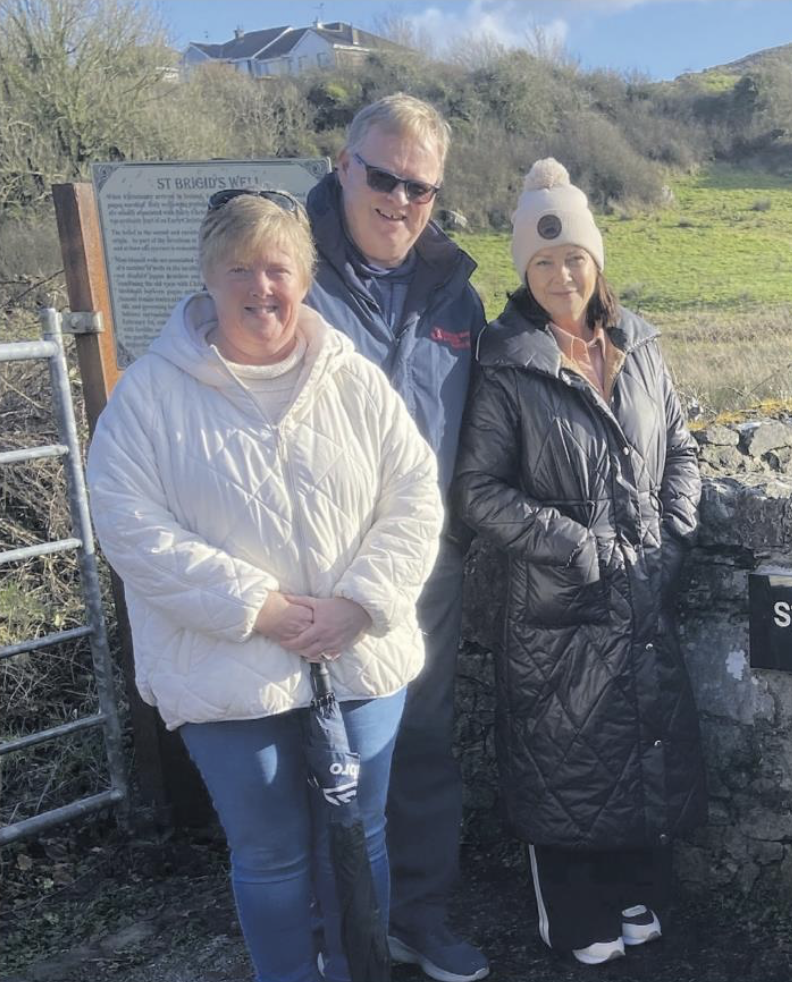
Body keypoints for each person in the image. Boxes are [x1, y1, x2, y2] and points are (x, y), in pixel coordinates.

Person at [86, 190, 444, 982]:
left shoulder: (351, 379)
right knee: (274, 855)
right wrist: (262, 608)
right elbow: (129, 529)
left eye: (278, 267)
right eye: (239, 268)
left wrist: (360, 601)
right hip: (226, 666)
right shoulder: (148, 396)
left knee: (359, 838)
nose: (261, 287)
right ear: (208, 277)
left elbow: (414, 495)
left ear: (305, 279)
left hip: (358, 655)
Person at [454, 158, 706, 966]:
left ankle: (634, 895)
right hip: (557, 606)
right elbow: (479, 492)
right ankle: (574, 916)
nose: (562, 275)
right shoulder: (508, 361)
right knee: (564, 761)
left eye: (574, 258)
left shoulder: (640, 346)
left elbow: (684, 452)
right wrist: (581, 548)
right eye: (542, 262)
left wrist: (669, 537)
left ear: (597, 260)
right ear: (524, 271)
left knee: (637, 749)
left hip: (640, 591)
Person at [303, 93, 489, 982]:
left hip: (425, 573)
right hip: (312, 568)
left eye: (421, 187)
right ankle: (330, 928)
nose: (401, 200)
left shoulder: (461, 295)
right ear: (343, 166)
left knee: (420, 742)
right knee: (310, 747)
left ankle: (417, 914)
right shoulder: (286, 273)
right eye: (383, 176)